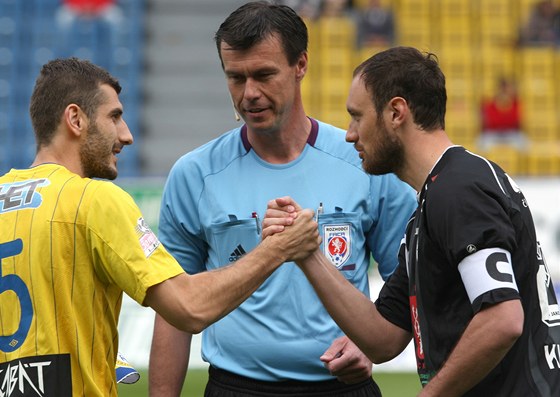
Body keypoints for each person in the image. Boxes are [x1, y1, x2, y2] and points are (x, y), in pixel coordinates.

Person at [0, 57, 319, 396]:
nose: (127, 135)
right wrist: (277, 248)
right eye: (115, 117)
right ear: (75, 119)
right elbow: (189, 308)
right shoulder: (93, 200)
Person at [148, 2, 416, 396]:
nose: (249, 93)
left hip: (342, 387)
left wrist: (368, 343)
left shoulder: (365, 161)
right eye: (235, 77)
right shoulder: (195, 175)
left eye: (263, 75)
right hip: (235, 388)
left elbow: (407, 283)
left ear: (301, 64)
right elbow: (172, 309)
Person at [265, 46, 560, 396]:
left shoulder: (459, 190)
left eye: (357, 116)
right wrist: (307, 253)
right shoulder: (433, 201)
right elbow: (383, 338)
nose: (349, 133)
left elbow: (502, 319)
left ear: (396, 112)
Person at [477, 77, 528, 152]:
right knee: (482, 144)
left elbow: (516, 121)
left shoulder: (516, 104)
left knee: (524, 143)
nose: (505, 92)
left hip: (511, 133)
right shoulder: (490, 104)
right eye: (503, 89)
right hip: (493, 133)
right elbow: (490, 122)